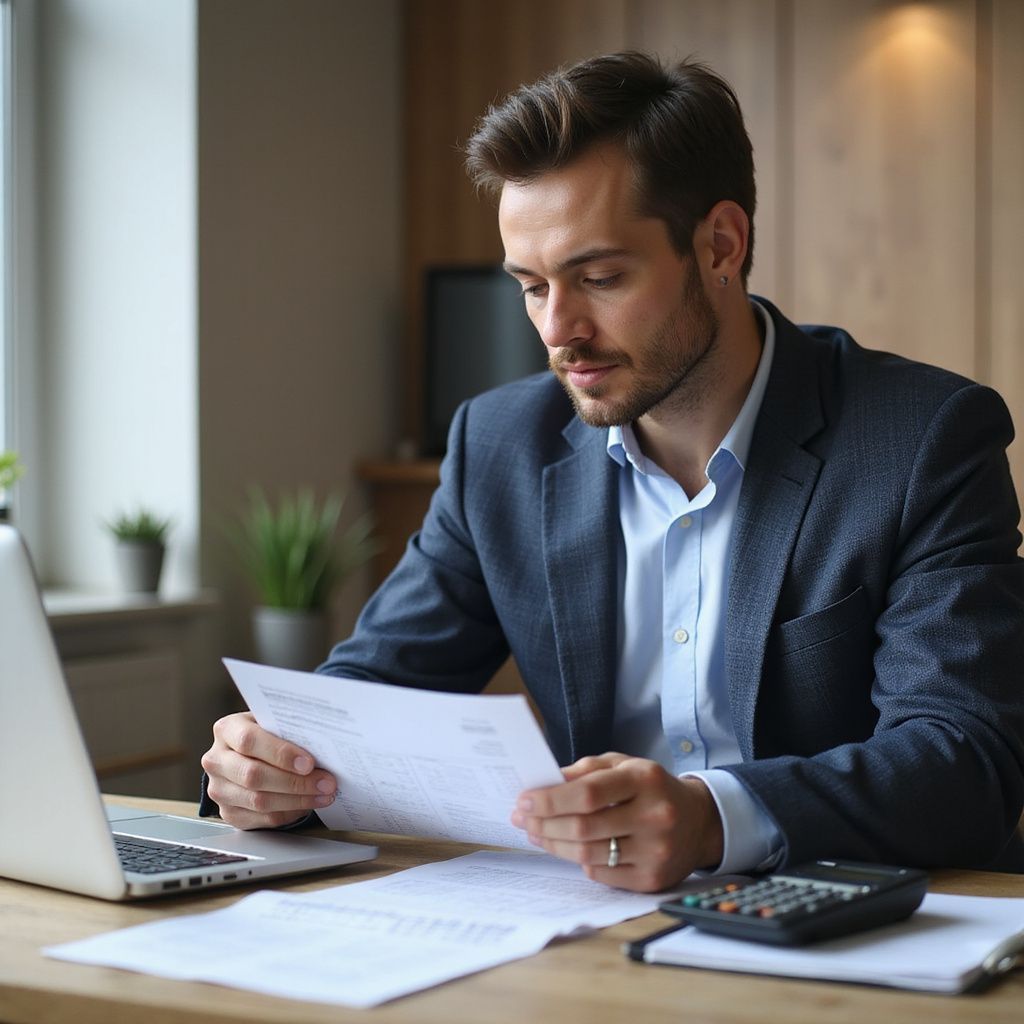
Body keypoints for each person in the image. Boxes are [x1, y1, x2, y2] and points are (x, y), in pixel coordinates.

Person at [201, 51, 1024, 893]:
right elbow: (369, 695)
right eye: (530, 286)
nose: (559, 330)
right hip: (581, 924)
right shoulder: (500, 444)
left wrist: (713, 818)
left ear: (721, 245)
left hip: (848, 927)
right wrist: (274, 765)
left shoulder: (922, 439)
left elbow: (967, 760)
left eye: (599, 278)